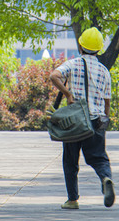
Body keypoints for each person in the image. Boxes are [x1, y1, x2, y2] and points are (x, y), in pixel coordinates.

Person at [49, 27, 114, 210]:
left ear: (80, 45)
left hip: (75, 121)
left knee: (70, 161)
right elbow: (107, 101)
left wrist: (67, 94)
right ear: (99, 49)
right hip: (96, 120)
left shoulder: (73, 64)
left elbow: (54, 75)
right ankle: (105, 178)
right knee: (99, 158)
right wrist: (104, 123)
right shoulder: (104, 71)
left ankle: (72, 200)